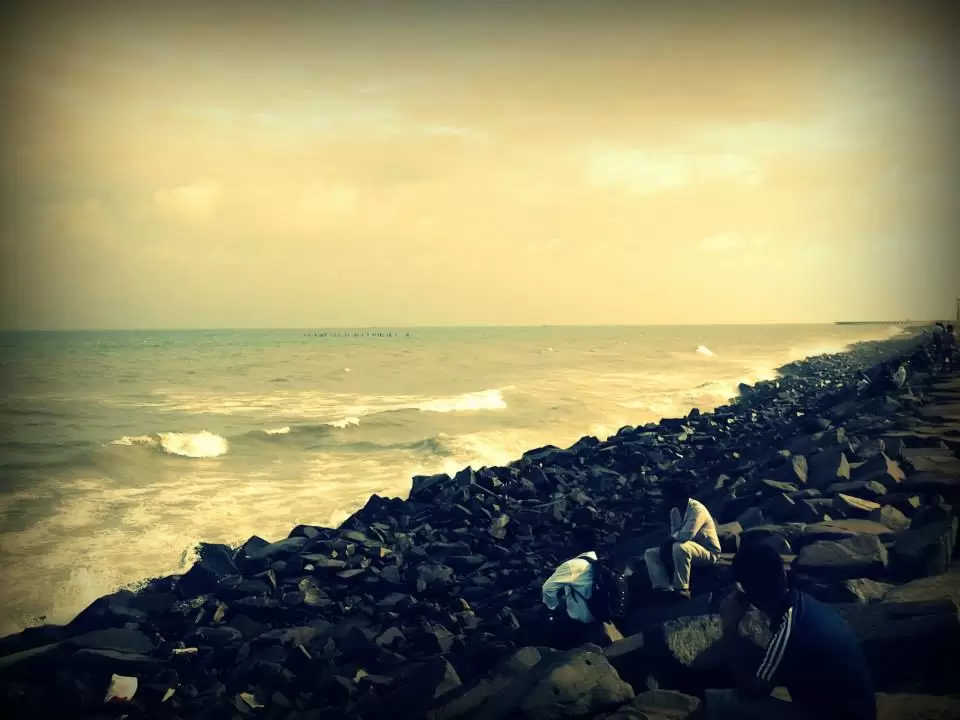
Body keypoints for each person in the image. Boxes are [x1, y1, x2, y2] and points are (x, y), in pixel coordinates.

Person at [705, 543, 876, 720]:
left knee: (724, 702)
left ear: (745, 591)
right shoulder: (803, 604)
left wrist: (730, 628)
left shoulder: (788, 630)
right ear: (783, 573)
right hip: (858, 710)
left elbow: (752, 691)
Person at [643, 479, 721, 599]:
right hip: (688, 548)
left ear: (677, 496)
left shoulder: (697, 509)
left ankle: (682, 588)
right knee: (650, 553)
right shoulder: (675, 512)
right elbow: (675, 533)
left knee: (679, 547)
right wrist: (667, 545)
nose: (665, 499)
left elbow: (686, 535)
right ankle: (663, 587)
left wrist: (669, 542)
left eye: (667, 496)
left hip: (707, 552)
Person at [540, 527, 603, 648]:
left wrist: (553, 608)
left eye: (571, 540)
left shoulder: (573, 565)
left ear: (579, 543)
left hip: (577, 624)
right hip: (597, 617)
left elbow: (547, 589)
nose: (568, 544)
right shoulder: (596, 562)